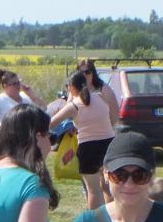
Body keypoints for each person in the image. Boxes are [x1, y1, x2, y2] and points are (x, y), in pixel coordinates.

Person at [50, 71, 117, 210]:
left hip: (88, 148)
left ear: (71, 88)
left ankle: (96, 219)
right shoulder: (100, 96)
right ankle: (113, 215)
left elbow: (52, 123)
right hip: (110, 144)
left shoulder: (74, 106)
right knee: (109, 186)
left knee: (93, 190)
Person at [0, 68, 46, 132]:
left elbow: (44, 108)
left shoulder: (25, 96)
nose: (18, 85)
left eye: (19, 82)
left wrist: (32, 96)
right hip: (9, 139)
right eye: (14, 84)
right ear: (5, 86)